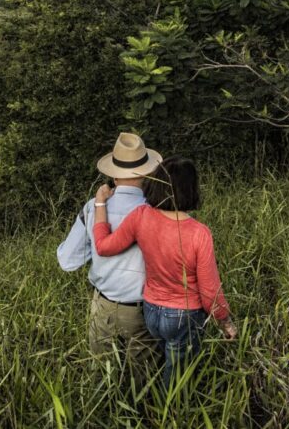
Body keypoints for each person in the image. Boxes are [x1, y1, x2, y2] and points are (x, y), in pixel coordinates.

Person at [93, 156, 237, 387]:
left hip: (151, 312)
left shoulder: (141, 216)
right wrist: (225, 322)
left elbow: (103, 246)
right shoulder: (199, 233)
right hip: (183, 315)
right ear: (191, 189)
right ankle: (171, 414)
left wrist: (100, 204)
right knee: (179, 378)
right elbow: (210, 291)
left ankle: (152, 403)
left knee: (165, 362)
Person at [57, 132, 162, 364]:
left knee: (104, 382)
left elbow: (68, 261)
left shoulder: (93, 208)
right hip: (145, 310)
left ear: (113, 176)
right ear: (147, 172)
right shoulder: (157, 211)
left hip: (103, 306)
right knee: (145, 383)